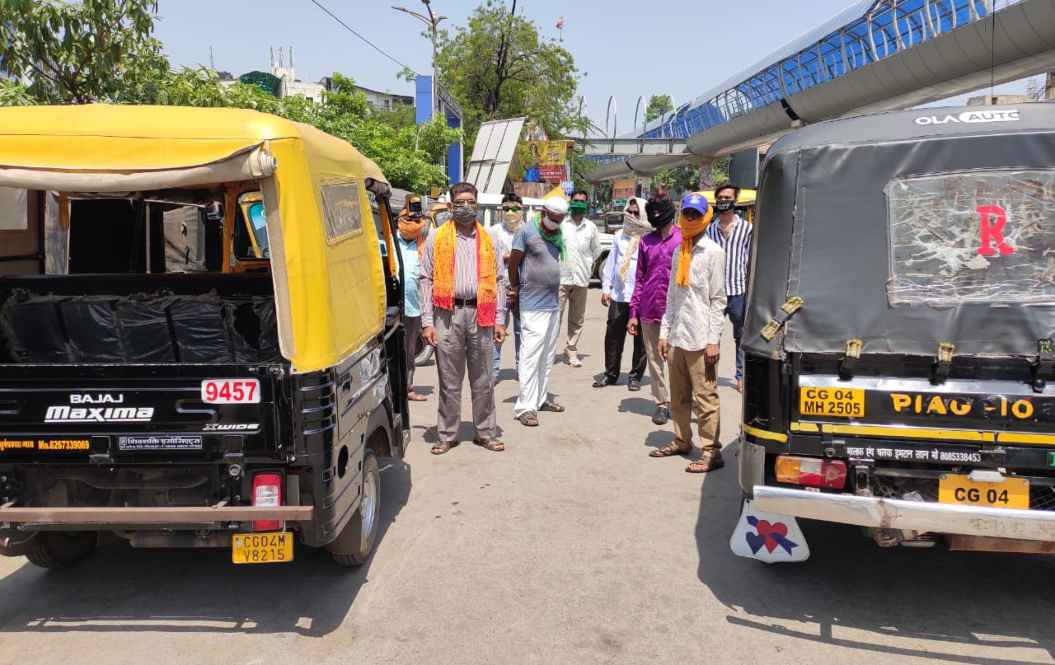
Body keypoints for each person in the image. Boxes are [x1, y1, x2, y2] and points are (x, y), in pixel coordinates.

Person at [420, 182, 507, 454]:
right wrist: (426, 321)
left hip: (482, 313)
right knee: (449, 378)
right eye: (461, 202)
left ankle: (486, 432)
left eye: (471, 202)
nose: (466, 207)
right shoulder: (437, 236)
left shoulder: (490, 238)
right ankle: (447, 434)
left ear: (477, 205)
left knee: (484, 379)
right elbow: (425, 279)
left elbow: (501, 280)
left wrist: (500, 318)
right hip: (447, 315)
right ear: (450, 206)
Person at [650, 193, 727, 473]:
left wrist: (712, 340)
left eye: (696, 214)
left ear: (706, 217)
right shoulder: (678, 250)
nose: (691, 219)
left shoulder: (713, 253)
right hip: (677, 337)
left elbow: (718, 299)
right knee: (678, 396)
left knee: (705, 398)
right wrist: (664, 333)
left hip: (700, 338)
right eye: (688, 214)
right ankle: (682, 439)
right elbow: (672, 295)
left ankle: (711, 451)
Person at [509, 196, 567, 427]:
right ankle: (525, 406)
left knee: (547, 356)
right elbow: (513, 263)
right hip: (532, 304)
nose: (557, 222)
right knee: (530, 356)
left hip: (553, 303)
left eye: (561, 219)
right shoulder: (526, 231)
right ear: (544, 212)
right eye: (554, 218)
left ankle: (540, 398)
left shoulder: (557, 234)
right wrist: (514, 290)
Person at [627, 193, 682, 426]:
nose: (657, 215)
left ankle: (682, 403)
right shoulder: (645, 242)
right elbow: (639, 277)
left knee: (677, 359)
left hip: (677, 311)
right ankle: (662, 403)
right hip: (649, 308)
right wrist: (633, 313)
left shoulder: (683, 239)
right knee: (654, 359)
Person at [594, 196, 649, 390]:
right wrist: (606, 288)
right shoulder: (619, 236)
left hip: (640, 295)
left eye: (636, 212)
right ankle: (611, 374)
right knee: (613, 336)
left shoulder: (649, 237)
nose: (632, 215)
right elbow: (611, 264)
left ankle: (635, 376)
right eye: (629, 212)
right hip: (619, 293)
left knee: (641, 340)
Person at [704, 182, 752, 393]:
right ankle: (709, 376)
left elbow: (751, 260)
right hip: (714, 293)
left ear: (735, 200)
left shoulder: (747, 229)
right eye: (720, 198)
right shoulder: (709, 229)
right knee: (711, 335)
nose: (724, 201)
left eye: (727, 198)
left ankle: (741, 376)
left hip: (738, 290)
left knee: (741, 335)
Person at [558, 190, 600, 367]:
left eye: (582, 201)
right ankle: (546, 352)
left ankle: (572, 348)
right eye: (576, 200)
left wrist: (587, 267)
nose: (579, 204)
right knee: (554, 316)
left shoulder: (591, 227)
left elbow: (596, 251)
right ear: (570, 201)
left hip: (581, 279)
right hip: (560, 279)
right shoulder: (561, 224)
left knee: (577, 318)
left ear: (587, 203)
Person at [488, 192, 525, 384]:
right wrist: (508, 258)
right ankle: (493, 372)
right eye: (506, 209)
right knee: (497, 330)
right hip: (499, 287)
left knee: (522, 331)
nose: (510, 213)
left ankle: (522, 369)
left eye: (515, 209)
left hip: (522, 289)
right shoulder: (493, 232)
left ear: (522, 210)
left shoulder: (528, 231)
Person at [395, 194, 429, 402]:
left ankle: (407, 388)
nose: (412, 225)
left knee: (409, 351)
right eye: (408, 220)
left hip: (414, 309)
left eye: (416, 221)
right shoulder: (389, 242)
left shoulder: (424, 244)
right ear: (399, 221)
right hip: (392, 309)